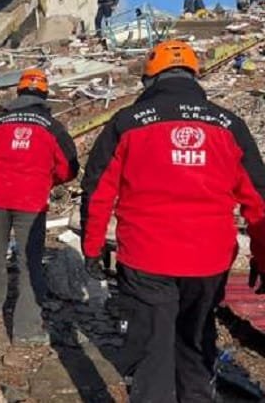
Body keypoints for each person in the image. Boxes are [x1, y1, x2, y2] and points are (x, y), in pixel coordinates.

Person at [81, 40, 265, 402]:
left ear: (150, 79)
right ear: (195, 76)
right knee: (195, 345)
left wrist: (92, 246)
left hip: (146, 258)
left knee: (152, 352)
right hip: (208, 261)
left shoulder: (127, 122)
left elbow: (97, 188)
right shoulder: (229, 124)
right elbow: (259, 199)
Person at [0, 68, 78, 344]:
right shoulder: (51, 126)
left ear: (19, 92)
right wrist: (49, 179)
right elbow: (69, 167)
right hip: (29, 202)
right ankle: (26, 329)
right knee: (29, 262)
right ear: (44, 95)